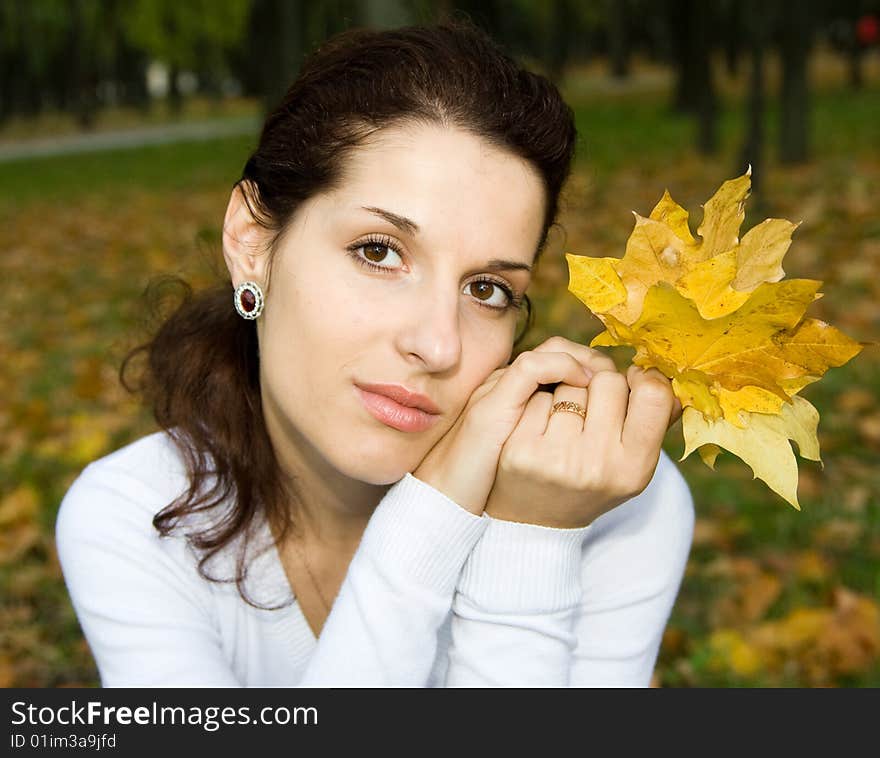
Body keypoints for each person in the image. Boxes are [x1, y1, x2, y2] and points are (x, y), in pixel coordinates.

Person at [55, 19, 694, 687]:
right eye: (378, 252)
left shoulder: (611, 504)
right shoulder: (141, 516)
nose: (437, 344)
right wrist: (431, 516)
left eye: (488, 289)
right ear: (252, 242)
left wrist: (532, 538)